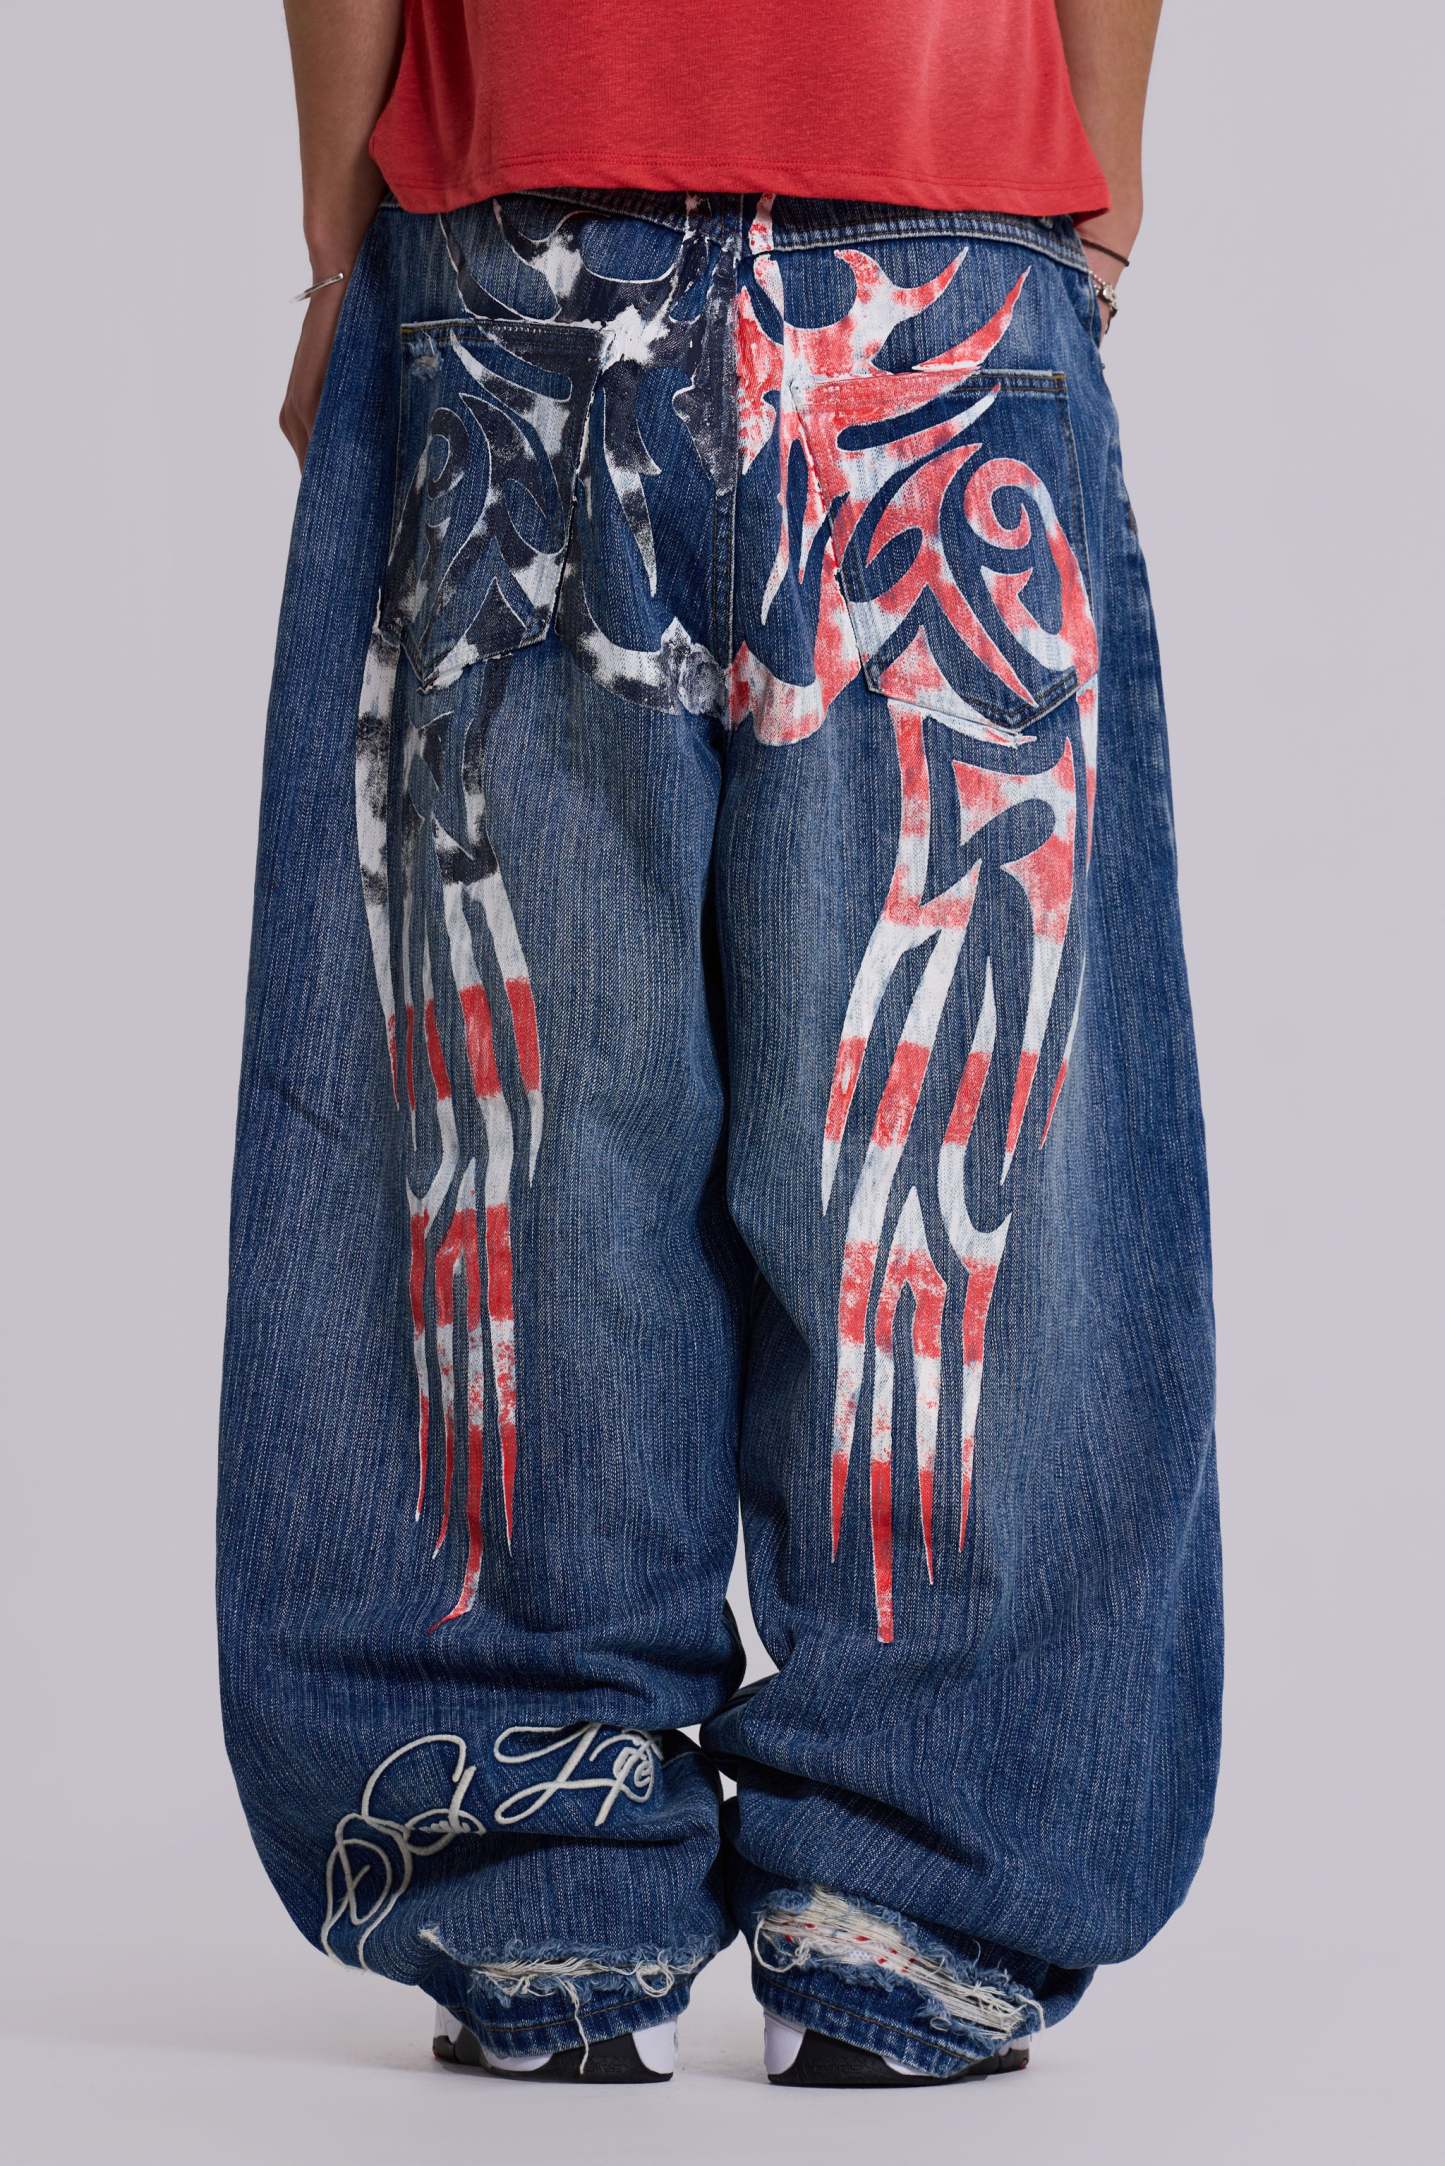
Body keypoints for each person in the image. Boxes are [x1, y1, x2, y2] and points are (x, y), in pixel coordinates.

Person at [220, 0, 1219, 2090]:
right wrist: (1090, 203)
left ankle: (536, 1879)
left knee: (521, 1126)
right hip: (950, 248)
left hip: (517, 252)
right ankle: (923, 1890)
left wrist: (339, 246)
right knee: (948, 1139)